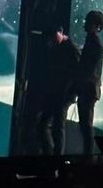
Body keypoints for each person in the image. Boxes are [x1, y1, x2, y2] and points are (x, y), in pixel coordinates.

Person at [36, 25, 80, 155]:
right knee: (43, 125)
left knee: (57, 127)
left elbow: (76, 74)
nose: (50, 40)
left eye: (52, 36)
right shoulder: (56, 48)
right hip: (55, 94)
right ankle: (50, 157)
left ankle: (55, 161)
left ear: (60, 32)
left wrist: (69, 93)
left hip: (64, 95)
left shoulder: (71, 49)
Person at [75, 9, 103, 156]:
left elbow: (89, 70)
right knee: (85, 124)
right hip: (88, 89)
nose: (85, 24)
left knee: (86, 125)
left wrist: (80, 84)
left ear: (96, 25)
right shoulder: (92, 42)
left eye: (88, 22)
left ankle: (88, 157)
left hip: (88, 90)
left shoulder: (95, 44)